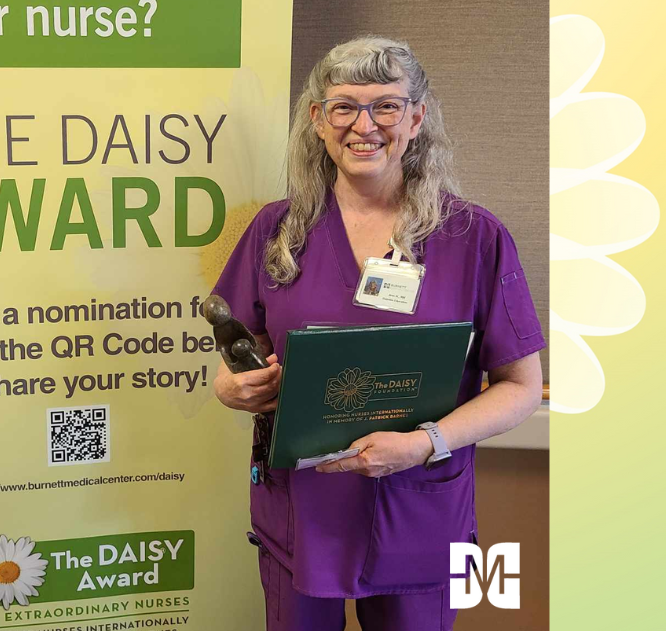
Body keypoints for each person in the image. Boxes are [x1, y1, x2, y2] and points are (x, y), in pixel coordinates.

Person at [211, 37, 545, 631]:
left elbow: (519, 386)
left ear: (417, 119)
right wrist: (234, 389)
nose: (364, 125)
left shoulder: (475, 237)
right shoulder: (276, 230)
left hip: (419, 509)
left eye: (386, 106)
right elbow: (240, 359)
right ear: (317, 120)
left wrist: (424, 443)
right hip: (303, 509)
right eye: (343, 106)